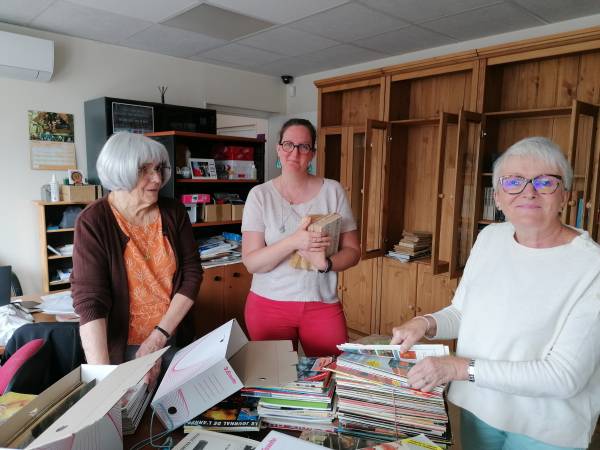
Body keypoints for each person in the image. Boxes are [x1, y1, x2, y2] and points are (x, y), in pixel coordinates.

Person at [390, 136, 600, 450]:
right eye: (514, 181)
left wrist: (458, 368)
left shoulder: (591, 265)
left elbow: (563, 376)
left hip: (545, 427)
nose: (529, 191)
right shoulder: (491, 237)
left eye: (545, 182)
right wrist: (424, 323)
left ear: (565, 196)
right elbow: (463, 312)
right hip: (479, 407)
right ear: (498, 196)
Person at [71, 132, 202, 387]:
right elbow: (90, 302)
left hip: (170, 336)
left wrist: (158, 338)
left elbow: (192, 273)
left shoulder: (173, 211)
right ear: (120, 171)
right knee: (130, 417)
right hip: (122, 349)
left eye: (159, 169)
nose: (157, 178)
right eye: (145, 170)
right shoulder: (93, 221)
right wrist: (103, 380)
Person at [241, 118, 361, 356]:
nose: (294, 152)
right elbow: (252, 262)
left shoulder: (333, 191)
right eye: (288, 144)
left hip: (321, 303)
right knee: (277, 382)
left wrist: (326, 264)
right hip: (268, 305)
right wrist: (294, 241)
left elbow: (353, 251)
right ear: (278, 149)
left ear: (312, 154)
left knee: (331, 374)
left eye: (303, 146)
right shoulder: (259, 196)